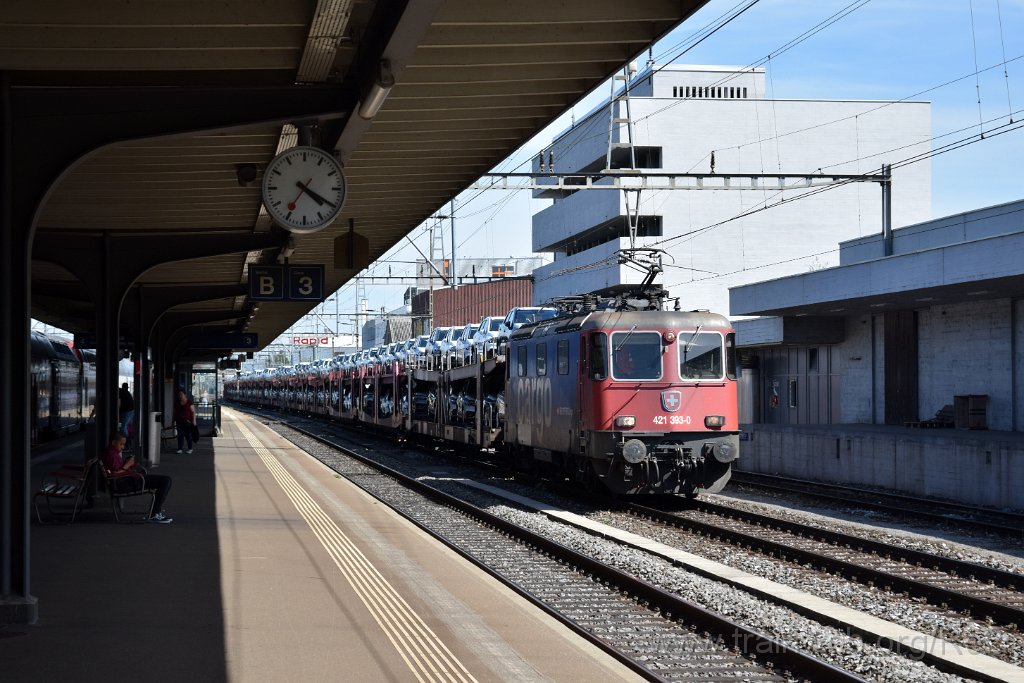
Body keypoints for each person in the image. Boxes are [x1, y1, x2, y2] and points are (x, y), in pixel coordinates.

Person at [102, 432, 173, 523]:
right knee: (165, 481)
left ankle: (155, 511)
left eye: (124, 444)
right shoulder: (111, 455)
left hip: (128, 480)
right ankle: (155, 513)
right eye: (121, 444)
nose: (123, 447)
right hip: (126, 483)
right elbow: (114, 474)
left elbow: (117, 470)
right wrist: (128, 464)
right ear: (113, 442)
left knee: (166, 480)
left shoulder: (111, 453)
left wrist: (127, 463)